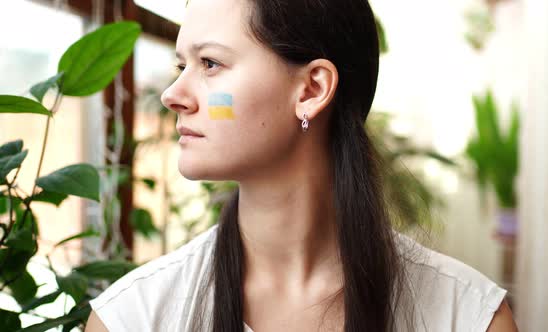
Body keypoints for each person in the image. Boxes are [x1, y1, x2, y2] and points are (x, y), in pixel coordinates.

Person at [85, 0, 519, 331]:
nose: (173, 94)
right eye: (182, 65)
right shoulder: (132, 317)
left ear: (312, 89)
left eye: (210, 64)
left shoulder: (468, 316)